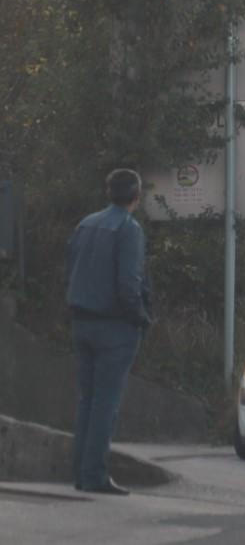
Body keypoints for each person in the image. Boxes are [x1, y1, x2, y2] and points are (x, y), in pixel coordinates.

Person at [65, 169, 152, 495]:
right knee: (106, 403)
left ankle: (80, 473)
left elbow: (69, 267)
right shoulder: (128, 229)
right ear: (136, 196)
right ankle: (95, 476)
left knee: (87, 400)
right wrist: (140, 318)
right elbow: (129, 283)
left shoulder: (85, 224)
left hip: (81, 320)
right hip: (114, 326)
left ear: (108, 192)